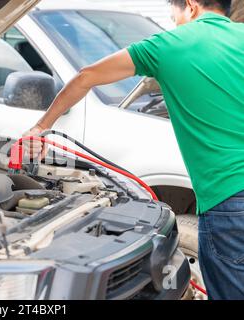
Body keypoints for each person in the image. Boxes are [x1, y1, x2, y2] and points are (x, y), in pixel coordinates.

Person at [23, 0, 244, 299]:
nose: (174, 23)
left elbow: (86, 76)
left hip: (228, 200)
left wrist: (41, 127)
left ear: (190, 7)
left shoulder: (166, 46)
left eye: (174, 16)